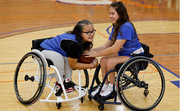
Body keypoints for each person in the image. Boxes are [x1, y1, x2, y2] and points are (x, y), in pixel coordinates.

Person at [85, 1, 144, 98]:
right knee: (104, 60)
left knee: (110, 62)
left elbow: (114, 49)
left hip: (135, 55)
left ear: (120, 14)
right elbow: (106, 45)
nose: (110, 16)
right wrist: (91, 51)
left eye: (113, 14)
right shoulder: (116, 26)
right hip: (126, 53)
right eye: (110, 13)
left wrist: (95, 54)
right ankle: (105, 84)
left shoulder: (126, 27)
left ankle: (113, 87)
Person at [40, 20, 98, 97]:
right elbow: (73, 65)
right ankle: (59, 83)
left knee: (68, 58)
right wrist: (91, 65)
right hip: (45, 49)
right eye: (88, 32)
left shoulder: (83, 40)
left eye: (93, 31)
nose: (91, 34)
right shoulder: (73, 44)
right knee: (59, 58)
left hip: (59, 50)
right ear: (80, 33)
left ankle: (67, 81)